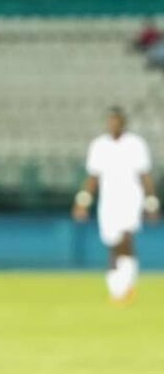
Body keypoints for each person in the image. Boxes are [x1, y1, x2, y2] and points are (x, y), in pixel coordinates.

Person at [72, 107, 159, 304]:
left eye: (117, 121)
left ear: (123, 123)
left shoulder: (136, 145)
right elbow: (93, 178)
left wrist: (151, 202)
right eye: (111, 121)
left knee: (125, 240)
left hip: (130, 198)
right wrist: (83, 202)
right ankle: (116, 286)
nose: (114, 125)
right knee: (112, 244)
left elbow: (144, 175)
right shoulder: (99, 146)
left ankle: (125, 286)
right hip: (108, 201)